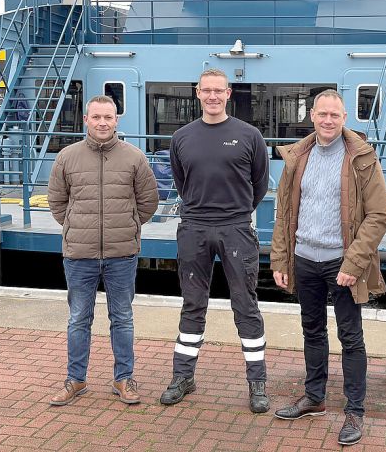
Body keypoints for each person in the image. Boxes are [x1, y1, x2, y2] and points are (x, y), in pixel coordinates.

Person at [270, 90, 386, 446]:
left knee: (351, 337)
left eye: (334, 115)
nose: (327, 120)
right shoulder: (298, 156)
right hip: (305, 259)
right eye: (322, 114)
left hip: (342, 262)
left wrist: (353, 263)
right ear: (312, 116)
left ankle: (355, 410)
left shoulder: (362, 158)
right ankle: (315, 398)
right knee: (312, 330)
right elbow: (284, 213)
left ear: (344, 118)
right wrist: (281, 259)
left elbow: (378, 216)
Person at [160, 68, 271, 413]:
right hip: (193, 228)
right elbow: (181, 181)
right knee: (193, 303)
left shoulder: (249, 135)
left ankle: (257, 384)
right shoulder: (181, 137)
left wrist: (233, 214)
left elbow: (259, 184)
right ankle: (183, 376)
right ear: (197, 93)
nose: (212, 96)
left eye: (218, 91)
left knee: (246, 305)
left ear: (228, 93)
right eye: (206, 90)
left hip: (236, 228)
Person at [46, 95, 159, 406]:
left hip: (121, 253)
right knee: (78, 318)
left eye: (108, 117)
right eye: (96, 117)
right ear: (86, 120)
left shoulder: (134, 158)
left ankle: (123, 379)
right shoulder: (67, 157)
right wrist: (73, 226)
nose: (102, 123)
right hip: (79, 254)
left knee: (122, 318)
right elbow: (57, 203)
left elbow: (148, 202)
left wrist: (130, 224)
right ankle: (76, 380)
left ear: (116, 120)